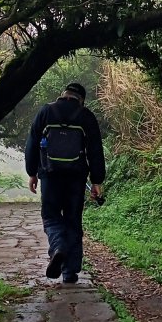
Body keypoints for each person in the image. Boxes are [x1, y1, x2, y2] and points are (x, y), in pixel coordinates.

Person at [25, 81, 105, 283]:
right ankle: (70, 271)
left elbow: (32, 143)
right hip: (76, 178)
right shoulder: (85, 116)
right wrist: (97, 180)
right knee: (73, 221)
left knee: (51, 216)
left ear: (64, 94)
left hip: (50, 175)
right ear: (81, 100)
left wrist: (32, 173)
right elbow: (95, 150)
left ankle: (58, 246)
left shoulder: (46, 111)